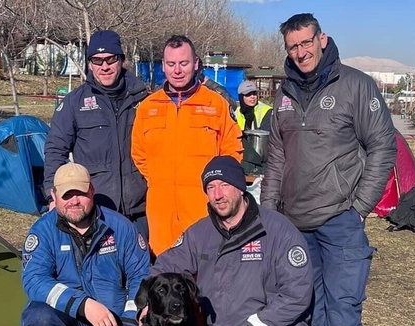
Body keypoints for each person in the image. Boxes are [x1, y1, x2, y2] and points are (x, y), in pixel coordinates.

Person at [261, 13, 397, 326]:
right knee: (309, 301)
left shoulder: (355, 86)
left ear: (322, 39)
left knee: (342, 302)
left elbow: (383, 146)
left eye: (306, 43)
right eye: (292, 46)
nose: (300, 52)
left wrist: (359, 208)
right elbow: (277, 159)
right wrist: (269, 213)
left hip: (340, 218)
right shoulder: (283, 94)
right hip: (296, 223)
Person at [147, 155, 313, 326]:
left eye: (224, 185)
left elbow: (298, 293)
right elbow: (164, 267)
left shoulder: (277, 229)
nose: (218, 194)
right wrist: (148, 303)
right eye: (210, 188)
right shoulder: (200, 232)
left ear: (240, 187)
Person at [21, 162, 151, 326]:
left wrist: (131, 322)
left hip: (110, 318)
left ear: (92, 191)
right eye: (67, 195)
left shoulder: (120, 226)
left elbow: (141, 275)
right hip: (66, 312)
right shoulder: (43, 230)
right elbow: (34, 279)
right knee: (38, 319)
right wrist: (82, 304)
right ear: (54, 196)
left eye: (80, 193)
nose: (74, 201)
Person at [131, 35, 243, 257]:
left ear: (196, 63)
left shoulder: (216, 104)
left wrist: (217, 190)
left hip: (202, 207)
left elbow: (232, 152)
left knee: (205, 271)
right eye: (171, 64)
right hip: (161, 208)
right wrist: (159, 179)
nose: (177, 70)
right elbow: (138, 153)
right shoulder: (148, 107)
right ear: (163, 65)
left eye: (184, 63)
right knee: (166, 274)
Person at [42, 30, 150, 240]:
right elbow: (55, 149)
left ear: (121, 61)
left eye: (111, 59)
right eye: (98, 61)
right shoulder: (74, 103)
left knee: (143, 270)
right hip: (97, 210)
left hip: (141, 209)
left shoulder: (144, 99)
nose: (105, 67)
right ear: (90, 64)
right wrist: (53, 194)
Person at [235, 80, 273, 174]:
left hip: (262, 158)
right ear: (241, 97)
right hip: (242, 157)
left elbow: (264, 134)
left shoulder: (266, 110)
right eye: (248, 94)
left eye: (254, 94)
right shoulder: (237, 112)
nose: (252, 97)